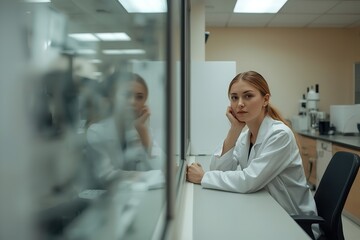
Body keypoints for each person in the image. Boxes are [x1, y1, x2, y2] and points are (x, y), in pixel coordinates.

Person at [186, 70, 320, 238]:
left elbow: (250, 180)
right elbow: (219, 168)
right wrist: (235, 129)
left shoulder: (279, 135)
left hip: (292, 221)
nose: (240, 103)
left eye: (248, 96)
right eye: (234, 97)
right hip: (268, 209)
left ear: (265, 100)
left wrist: (203, 177)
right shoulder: (245, 135)